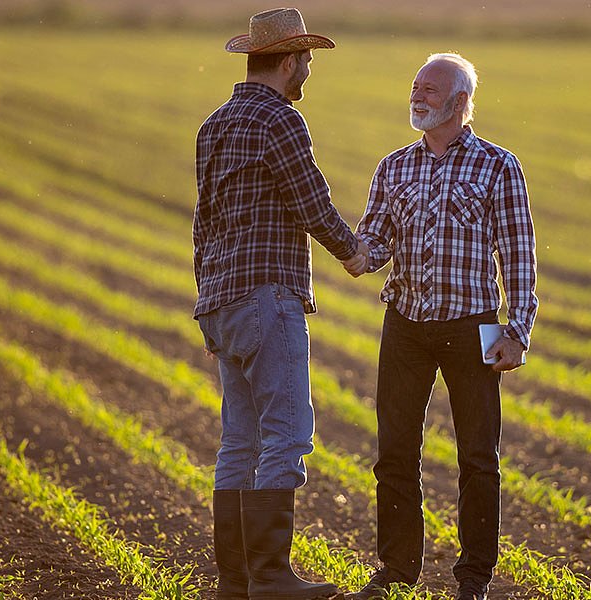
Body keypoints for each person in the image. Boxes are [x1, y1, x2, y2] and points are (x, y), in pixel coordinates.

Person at [346, 52, 538, 600]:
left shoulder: (499, 166)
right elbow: (376, 239)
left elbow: (518, 256)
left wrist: (517, 330)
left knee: (478, 457)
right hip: (405, 324)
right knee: (395, 453)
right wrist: (355, 251)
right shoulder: (394, 167)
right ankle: (397, 571)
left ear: (460, 102)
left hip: (472, 327)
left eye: (430, 89)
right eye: (415, 86)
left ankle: (473, 577)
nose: (418, 95)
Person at [192, 8, 367, 600]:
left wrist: (207, 301)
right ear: (289, 61)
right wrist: (356, 252)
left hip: (222, 300)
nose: (308, 75)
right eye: (308, 63)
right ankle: (270, 577)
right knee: (286, 437)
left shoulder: (214, 124)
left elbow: (203, 222)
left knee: (238, 442)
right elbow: (311, 202)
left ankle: (235, 583)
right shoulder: (280, 121)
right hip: (268, 297)